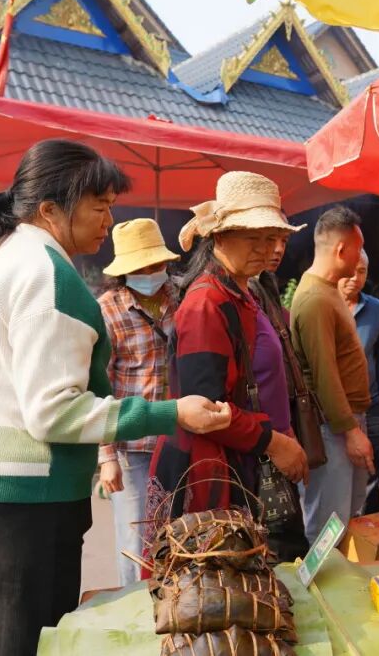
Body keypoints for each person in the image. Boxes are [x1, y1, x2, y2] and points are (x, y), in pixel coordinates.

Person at [0, 139, 230, 655]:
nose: (108, 220)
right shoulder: (46, 274)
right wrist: (171, 412)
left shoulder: (0, 257)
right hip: (18, 501)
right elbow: (53, 412)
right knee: (28, 641)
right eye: (99, 206)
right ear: (50, 209)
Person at [150, 171, 309, 527]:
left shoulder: (243, 293)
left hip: (247, 458)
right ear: (219, 236)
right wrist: (274, 442)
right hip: (214, 472)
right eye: (253, 238)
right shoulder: (206, 304)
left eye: (272, 238)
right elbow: (205, 409)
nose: (265, 249)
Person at [95, 218, 181, 587]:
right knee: (136, 542)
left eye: (155, 265)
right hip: (133, 448)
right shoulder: (107, 310)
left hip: (177, 439)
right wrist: (106, 457)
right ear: (124, 271)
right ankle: (134, 607)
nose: (149, 274)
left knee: (176, 534)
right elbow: (99, 386)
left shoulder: (180, 297)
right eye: (140, 268)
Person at [290, 206, 372, 542]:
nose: (361, 256)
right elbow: (325, 376)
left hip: (345, 421)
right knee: (328, 526)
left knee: (346, 519)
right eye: (358, 248)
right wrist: (350, 431)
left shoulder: (329, 290)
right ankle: (322, 578)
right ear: (341, 249)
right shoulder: (315, 299)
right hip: (332, 427)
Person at [249, 227, 311, 561]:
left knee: (286, 524)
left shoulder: (264, 285)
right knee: (276, 535)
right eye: (268, 240)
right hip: (259, 433)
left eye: (283, 242)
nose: (276, 249)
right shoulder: (234, 293)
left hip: (279, 425)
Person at [337, 249, 379, 515]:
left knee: (371, 471)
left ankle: (372, 530)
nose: (354, 278)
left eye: (361, 272)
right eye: (350, 271)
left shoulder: (377, 309)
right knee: (336, 474)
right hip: (332, 407)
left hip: (369, 405)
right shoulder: (323, 305)